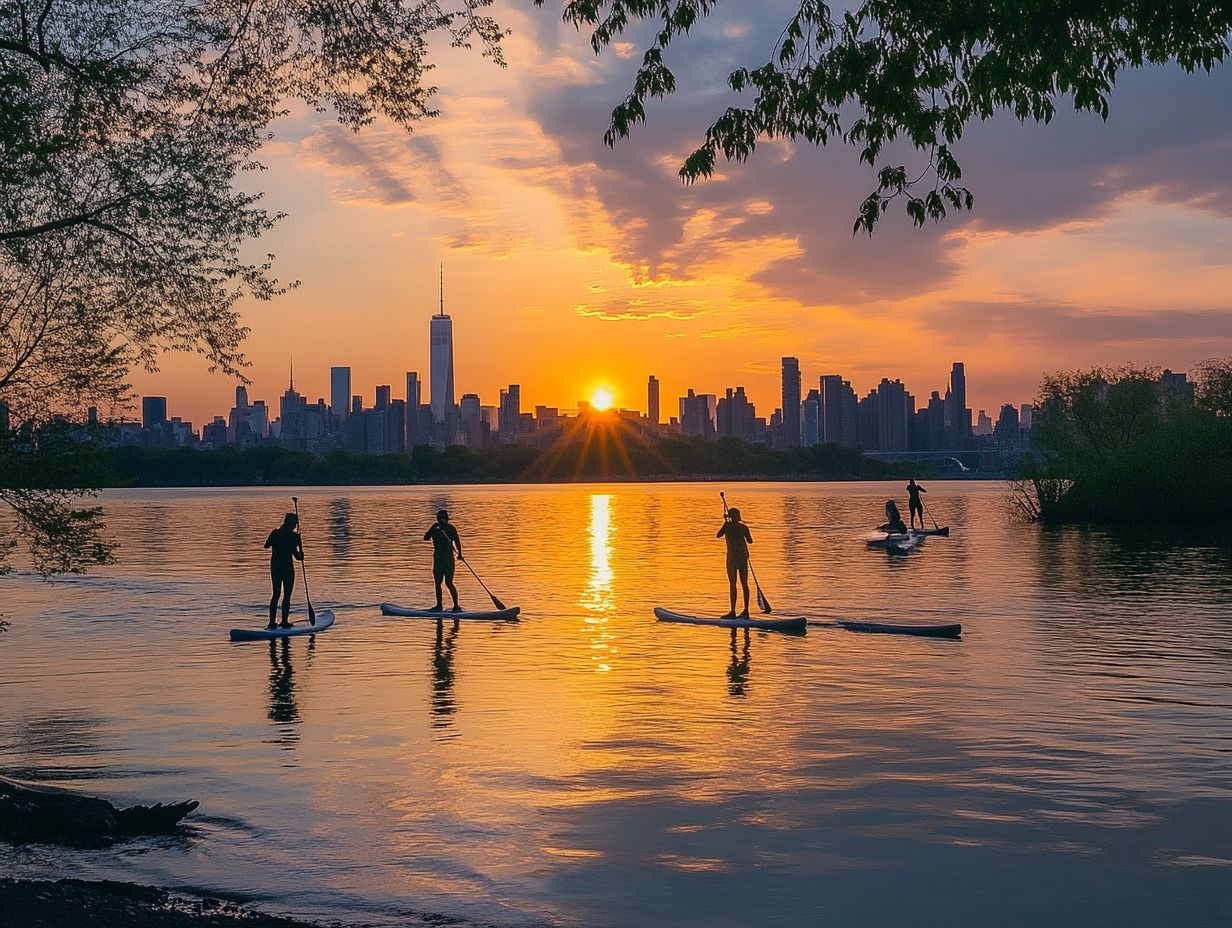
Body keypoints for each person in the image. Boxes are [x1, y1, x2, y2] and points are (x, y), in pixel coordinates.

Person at [264, 512, 303, 629]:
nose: (296, 525)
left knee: (275, 594)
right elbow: (298, 557)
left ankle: (272, 623)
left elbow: (266, 546)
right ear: (292, 524)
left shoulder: (275, 533)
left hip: (275, 567)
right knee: (286, 596)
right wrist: (301, 550)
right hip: (287, 568)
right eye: (295, 523)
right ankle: (284, 621)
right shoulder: (295, 537)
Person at [716, 506, 753, 619]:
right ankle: (744, 611)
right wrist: (729, 524)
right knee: (744, 584)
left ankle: (735, 611)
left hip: (733, 559)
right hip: (741, 557)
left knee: (734, 584)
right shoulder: (743, 527)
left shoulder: (728, 526)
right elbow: (750, 541)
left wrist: (727, 523)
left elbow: (718, 535)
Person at [423, 509, 463, 612]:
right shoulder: (435, 527)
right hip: (438, 560)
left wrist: (460, 554)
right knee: (438, 583)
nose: (442, 520)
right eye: (440, 518)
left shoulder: (451, 528)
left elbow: (457, 541)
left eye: (443, 518)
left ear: (447, 519)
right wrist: (433, 529)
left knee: (449, 583)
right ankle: (439, 606)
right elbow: (426, 538)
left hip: (449, 560)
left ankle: (456, 606)